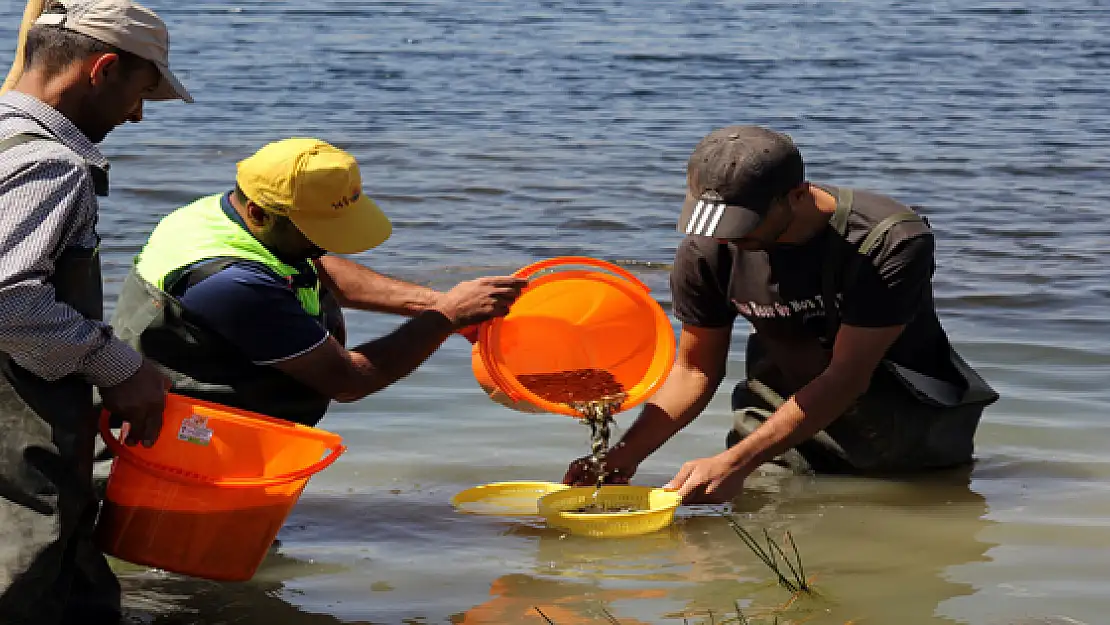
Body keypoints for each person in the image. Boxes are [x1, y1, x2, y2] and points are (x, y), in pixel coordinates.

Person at [564, 125, 999, 504]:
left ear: (796, 195)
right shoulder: (707, 247)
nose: (726, 238)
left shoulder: (889, 240)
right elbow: (695, 368)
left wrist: (736, 460)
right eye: (714, 222)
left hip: (906, 434)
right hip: (777, 424)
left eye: (742, 223)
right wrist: (620, 458)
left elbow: (847, 376)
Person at [109, 136, 527, 429]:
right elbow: (349, 380)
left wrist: (432, 302)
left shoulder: (223, 216)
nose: (326, 245)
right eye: (318, 231)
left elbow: (319, 265)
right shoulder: (230, 283)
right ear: (259, 212)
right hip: (187, 445)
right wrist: (445, 317)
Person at [0, 0, 191, 622]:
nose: (137, 114)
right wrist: (119, 366)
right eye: (140, 92)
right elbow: (9, 301)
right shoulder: (49, 164)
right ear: (103, 68)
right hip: (18, 452)